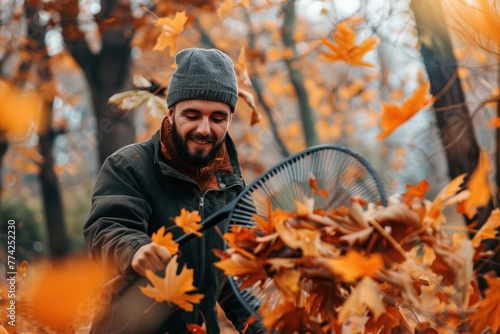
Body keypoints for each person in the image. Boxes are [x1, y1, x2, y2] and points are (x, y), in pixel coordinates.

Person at [84, 48, 264, 334]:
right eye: (192, 115)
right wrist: (135, 249)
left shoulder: (234, 188)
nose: (204, 129)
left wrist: (264, 326)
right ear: (171, 113)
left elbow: (238, 279)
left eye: (218, 118)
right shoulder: (129, 165)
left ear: (230, 118)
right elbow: (106, 229)